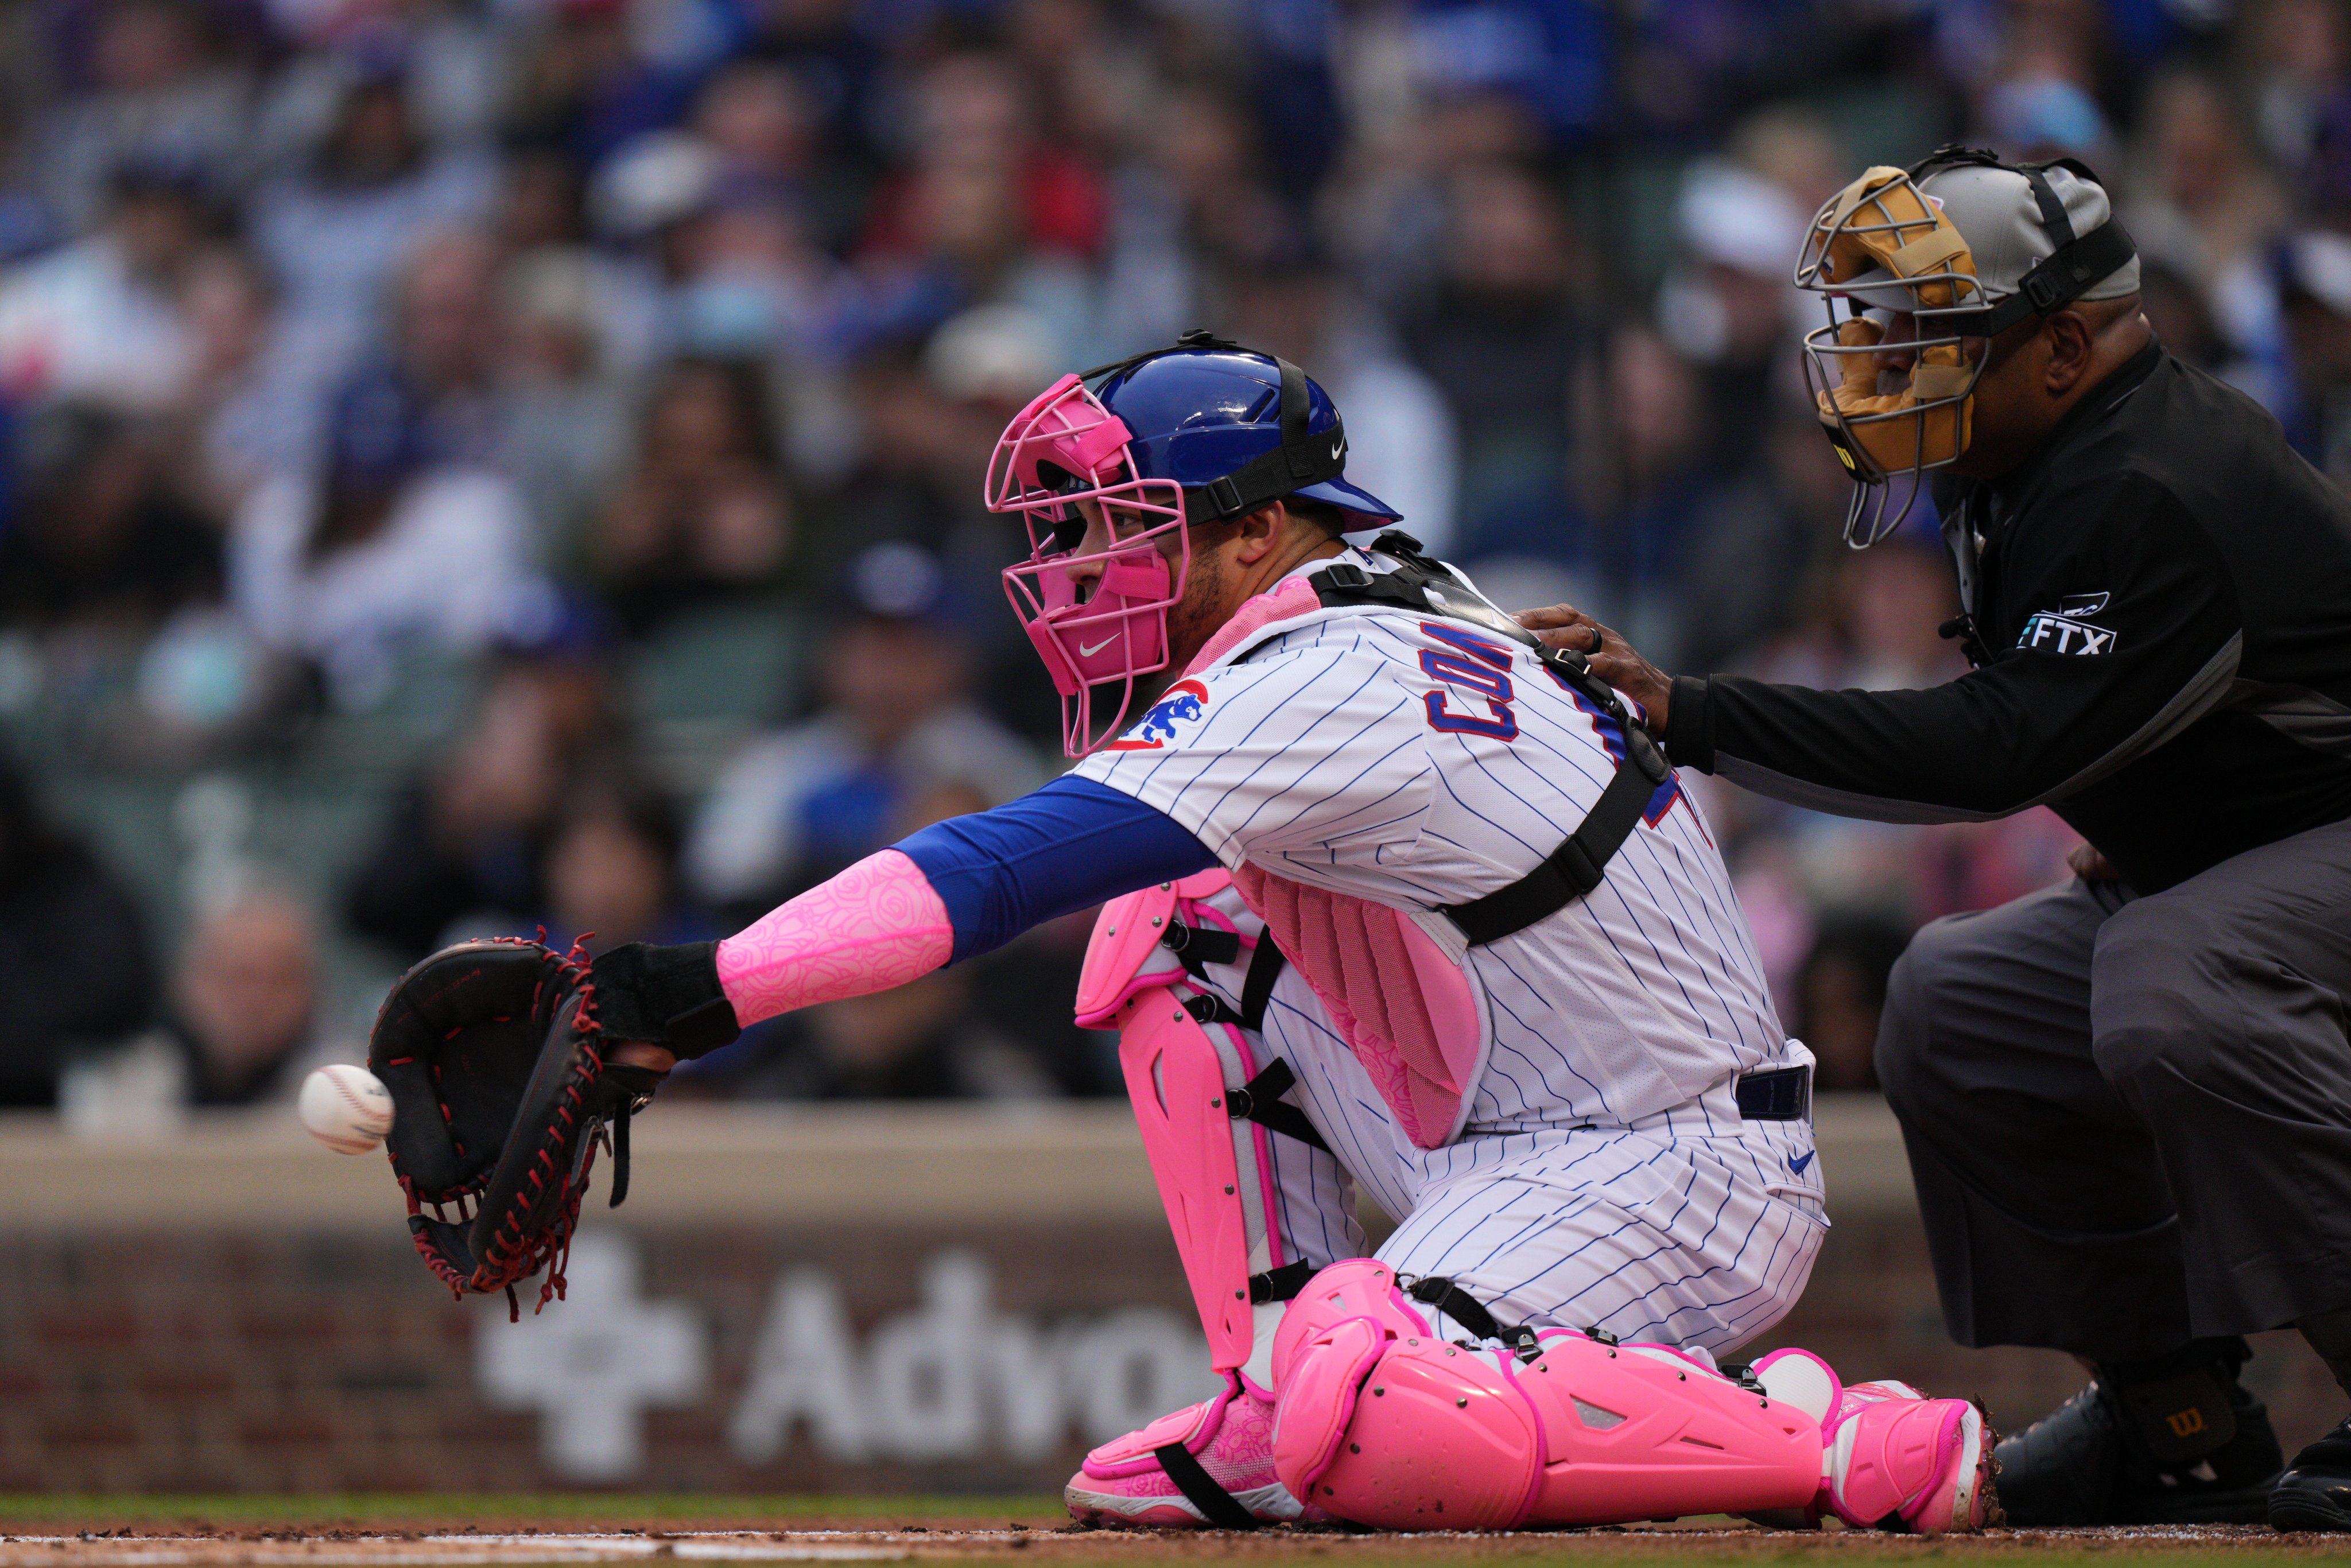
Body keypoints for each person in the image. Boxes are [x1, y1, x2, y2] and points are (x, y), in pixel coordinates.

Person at [451, 335, 1998, 1533]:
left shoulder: (1330, 667)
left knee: (1379, 1412)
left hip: (1668, 1162)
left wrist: (689, 990)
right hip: (1517, 1113)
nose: (1079, 574)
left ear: (1258, 532)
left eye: (1126, 529)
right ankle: (1266, 1393)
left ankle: (1838, 1439)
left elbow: (993, 869)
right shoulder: (1354, 607)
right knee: (1175, 910)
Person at [1514, 147, 2351, 1532]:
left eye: (1927, 332)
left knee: (2171, 974)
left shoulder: (2149, 480)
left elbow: (1991, 752)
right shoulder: (2030, 457)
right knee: (1954, 1000)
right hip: (2272, 842)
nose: (1885, 363)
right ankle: (2175, 1419)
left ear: (2064, 344)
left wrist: (1690, 708)